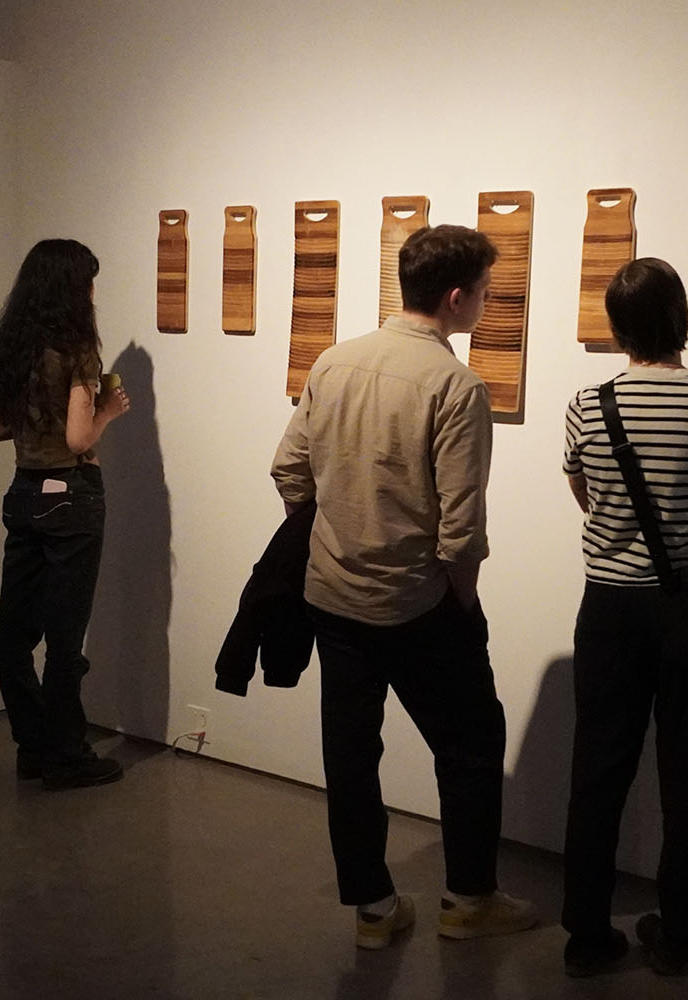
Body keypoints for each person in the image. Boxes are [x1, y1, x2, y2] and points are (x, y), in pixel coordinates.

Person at [272, 224, 537, 951]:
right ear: (456, 298)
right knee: (471, 746)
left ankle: (374, 911)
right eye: (484, 293)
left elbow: (288, 470)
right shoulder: (454, 385)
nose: (485, 304)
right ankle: (468, 899)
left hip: (332, 597)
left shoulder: (335, 360)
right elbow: (460, 527)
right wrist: (464, 598)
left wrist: (336, 535)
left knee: (350, 755)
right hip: (419, 603)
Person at [559, 257, 688, 976]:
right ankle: (677, 934)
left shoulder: (589, 402)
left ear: (616, 331)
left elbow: (585, 495)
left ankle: (584, 933)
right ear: (681, 320)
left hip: (609, 606)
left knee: (597, 769)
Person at [0, 239, 131, 790]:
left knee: (13, 636)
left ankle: (34, 745)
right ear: (72, 289)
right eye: (89, 282)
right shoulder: (76, 353)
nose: (93, 293)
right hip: (71, 496)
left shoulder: (8, 349)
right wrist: (108, 412)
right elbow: (76, 437)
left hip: (23, 494)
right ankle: (66, 757)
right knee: (65, 640)